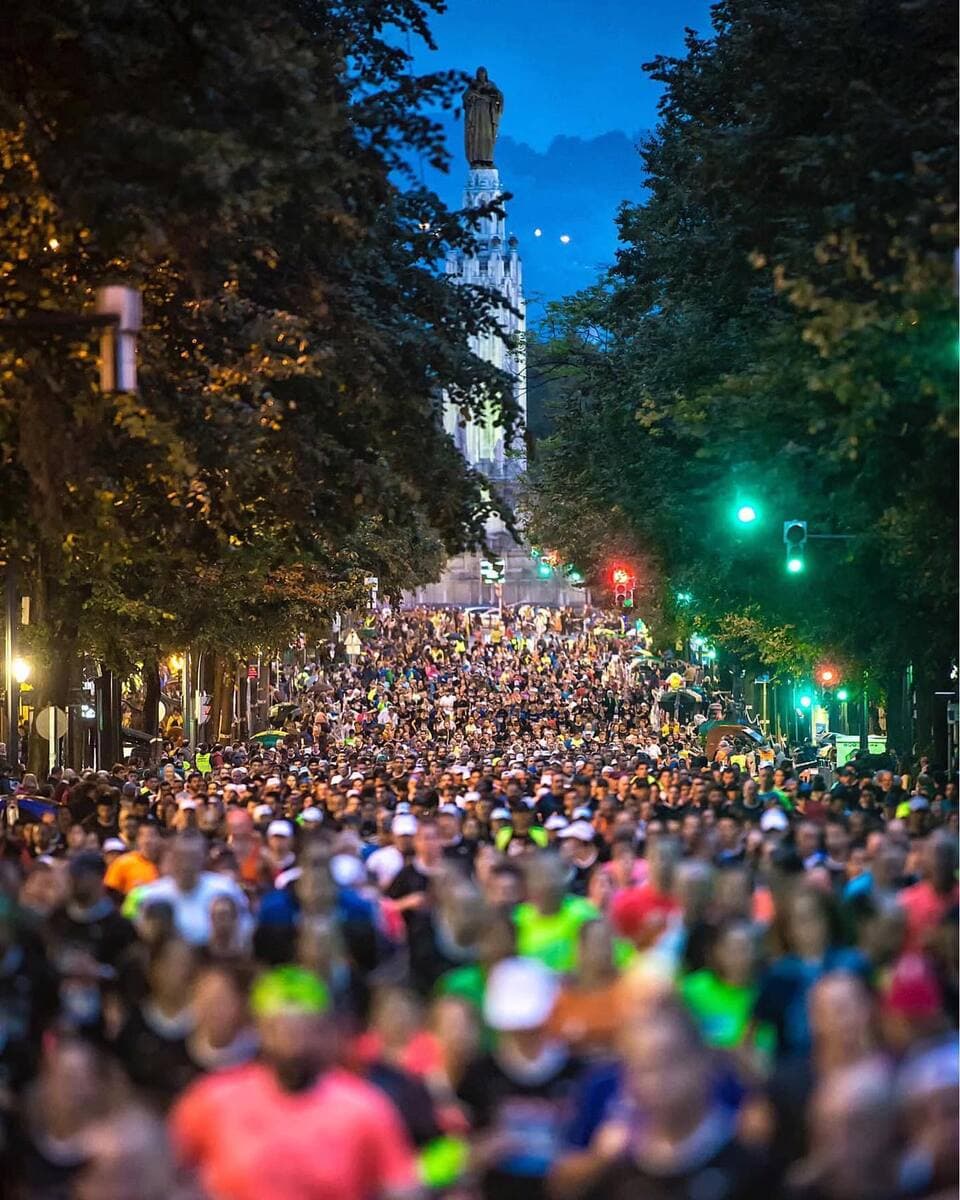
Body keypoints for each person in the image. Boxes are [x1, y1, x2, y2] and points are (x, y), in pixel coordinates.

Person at [170, 965, 420, 1200]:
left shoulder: (364, 1109)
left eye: (304, 1028)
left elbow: (401, 1187)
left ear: (323, 1032)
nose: (292, 1040)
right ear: (260, 1030)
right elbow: (168, 1173)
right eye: (279, 1027)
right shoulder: (212, 1099)